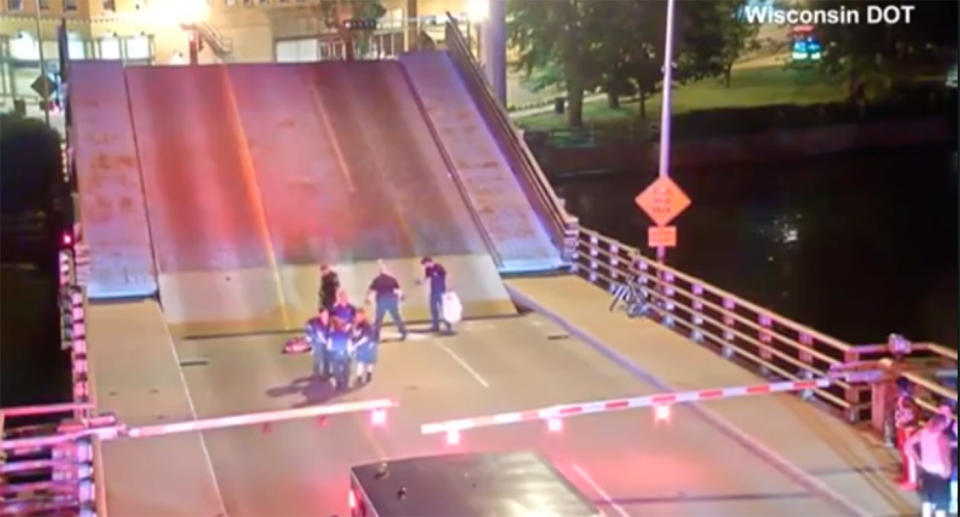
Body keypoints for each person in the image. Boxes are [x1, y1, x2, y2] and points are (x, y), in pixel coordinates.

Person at [905, 414, 954, 517]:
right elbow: (945, 457)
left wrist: (917, 460)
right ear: (943, 425)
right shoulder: (942, 438)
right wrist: (948, 472)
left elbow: (908, 445)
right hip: (939, 474)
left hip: (926, 471)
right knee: (940, 505)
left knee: (927, 501)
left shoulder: (922, 433)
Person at [367, 261, 407, 341]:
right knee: (396, 317)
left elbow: (371, 290)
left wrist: (367, 299)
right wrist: (402, 296)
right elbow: (398, 290)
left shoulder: (377, 280)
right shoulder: (392, 279)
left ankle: (375, 336)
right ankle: (403, 332)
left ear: (380, 272)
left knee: (378, 319)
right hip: (392, 299)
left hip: (382, 300)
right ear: (386, 271)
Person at [894, 377, 919, 489]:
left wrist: (910, 423)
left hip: (907, 429)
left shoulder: (907, 399)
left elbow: (915, 411)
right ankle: (906, 476)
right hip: (901, 428)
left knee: (909, 455)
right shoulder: (903, 397)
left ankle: (912, 481)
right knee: (904, 454)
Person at [419, 256, 453, 334]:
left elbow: (446, 277)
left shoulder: (439, 267)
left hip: (441, 291)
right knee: (433, 309)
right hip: (434, 291)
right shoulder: (428, 269)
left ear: (429, 262)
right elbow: (426, 278)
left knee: (444, 310)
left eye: (425, 264)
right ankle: (435, 326)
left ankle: (448, 327)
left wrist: (448, 289)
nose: (425, 266)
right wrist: (421, 282)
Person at [353, 309, 377, 383]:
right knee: (361, 362)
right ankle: (360, 376)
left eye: (359, 316)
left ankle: (368, 375)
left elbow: (365, 338)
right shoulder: (357, 324)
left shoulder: (366, 325)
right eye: (356, 316)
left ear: (363, 316)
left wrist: (356, 344)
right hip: (363, 346)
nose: (357, 317)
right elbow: (356, 335)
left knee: (368, 361)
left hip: (367, 345)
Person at [304, 308, 330, 378]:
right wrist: (310, 344)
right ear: (320, 314)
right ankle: (316, 373)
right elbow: (315, 334)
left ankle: (326, 373)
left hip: (327, 343)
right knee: (318, 358)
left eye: (327, 315)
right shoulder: (315, 322)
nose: (326, 316)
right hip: (318, 343)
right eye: (324, 315)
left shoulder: (330, 321)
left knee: (326, 358)